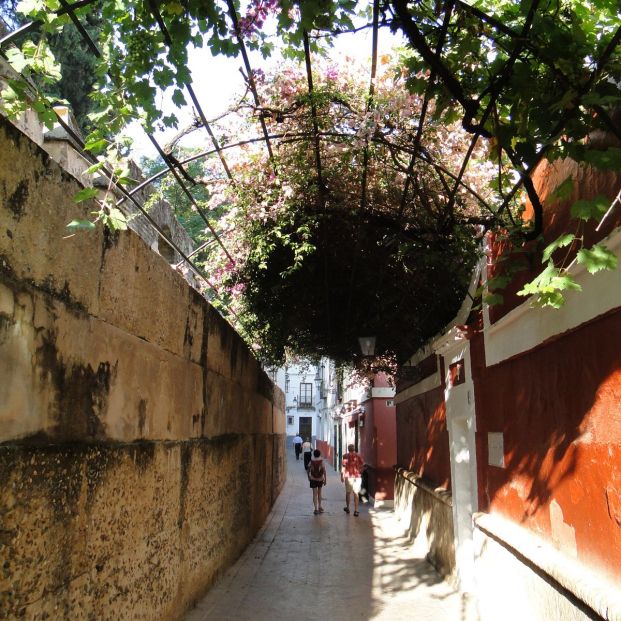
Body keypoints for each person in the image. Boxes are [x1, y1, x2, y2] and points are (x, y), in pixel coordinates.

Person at [341, 444, 364, 517]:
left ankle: (348, 508)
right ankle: (356, 510)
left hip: (348, 476)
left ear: (348, 449)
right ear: (354, 449)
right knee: (356, 493)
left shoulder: (345, 456)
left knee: (348, 493)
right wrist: (360, 472)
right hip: (357, 477)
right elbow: (363, 465)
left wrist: (342, 476)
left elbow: (344, 467)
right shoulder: (359, 456)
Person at [308, 449, 327, 515]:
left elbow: (308, 469)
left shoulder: (311, 461)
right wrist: (325, 479)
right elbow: (324, 471)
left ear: (314, 454)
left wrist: (309, 477)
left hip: (313, 479)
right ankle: (320, 507)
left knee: (314, 494)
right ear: (319, 454)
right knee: (319, 493)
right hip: (320, 479)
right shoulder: (322, 461)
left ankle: (315, 509)